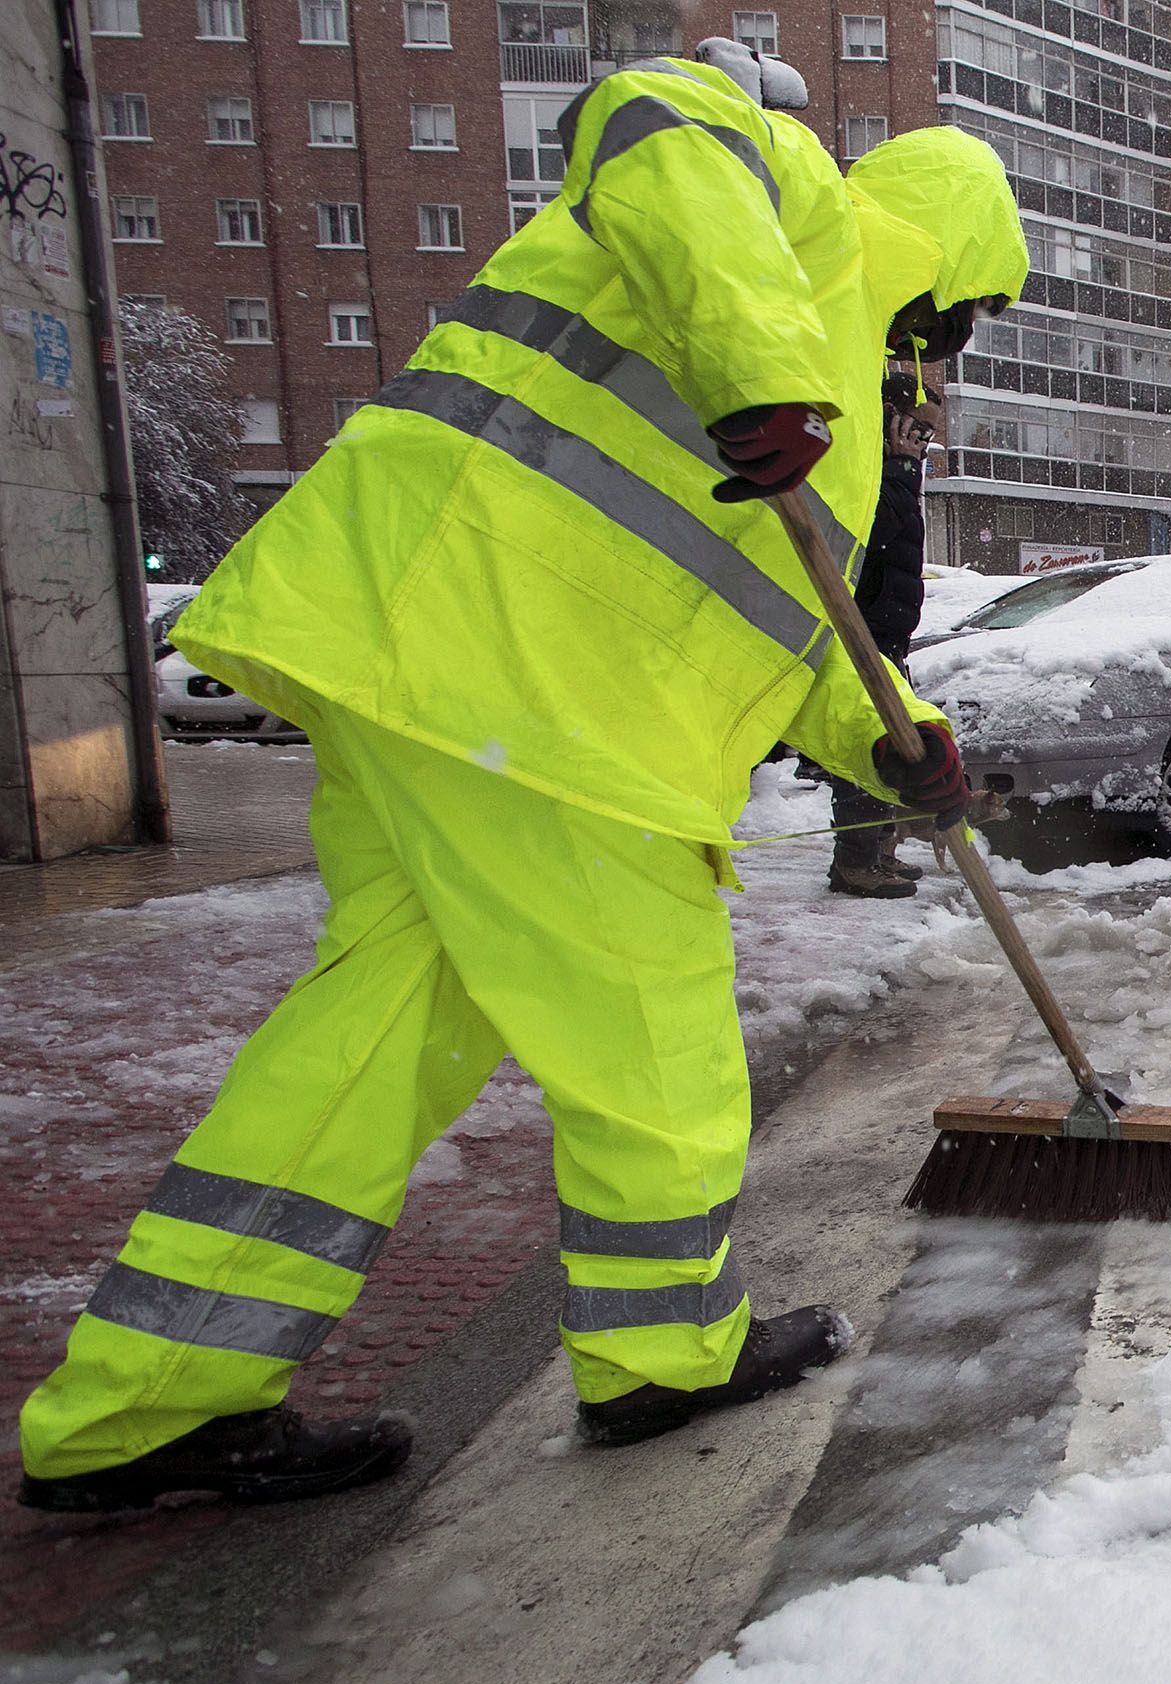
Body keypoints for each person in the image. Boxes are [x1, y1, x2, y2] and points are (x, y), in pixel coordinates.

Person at [14, 64, 1028, 1511]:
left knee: (370, 1048)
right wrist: (760, 370)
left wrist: (900, 738)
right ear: (949, 278)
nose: (949, 357)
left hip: (423, 659)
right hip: (534, 702)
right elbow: (647, 112)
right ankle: (662, 1357)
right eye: (966, 323)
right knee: (660, 1052)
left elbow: (783, 635)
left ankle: (144, 1403)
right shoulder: (794, 212)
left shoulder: (835, 420)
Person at [822, 379, 943, 898]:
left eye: (930, 434)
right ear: (890, 418)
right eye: (916, 427)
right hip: (864, 627)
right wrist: (896, 468)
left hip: (888, 627)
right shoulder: (868, 467)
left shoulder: (899, 473)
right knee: (871, 742)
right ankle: (856, 861)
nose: (922, 441)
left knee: (891, 743)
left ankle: (877, 850)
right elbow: (873, 537)